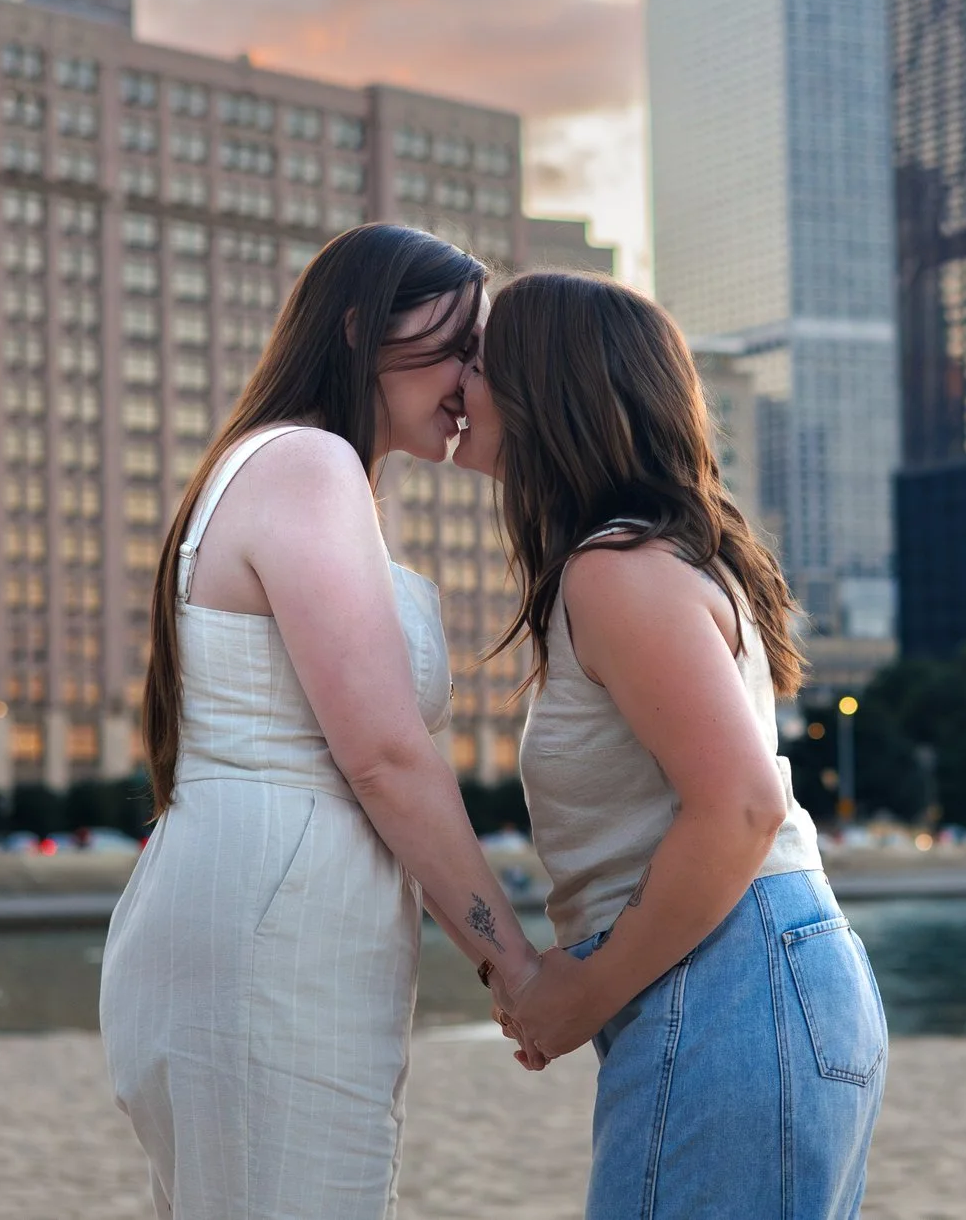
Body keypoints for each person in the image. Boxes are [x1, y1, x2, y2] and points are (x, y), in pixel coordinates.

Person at [100, 223, 542, 1220]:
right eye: (458, 344)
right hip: (276, 923)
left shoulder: (278, 465)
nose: (474, 378)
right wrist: (511, 962)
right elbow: (386, 753)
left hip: (250, 900)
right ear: (357, 329)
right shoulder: (307, 462)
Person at [456, 271, 887, 1219]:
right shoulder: (653, 559)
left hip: (727, 982)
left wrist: (581, 992)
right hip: (745, 979)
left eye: (481, 365)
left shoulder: (614, 572)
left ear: (548, 390)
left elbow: (740, 808)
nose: (459, 385)